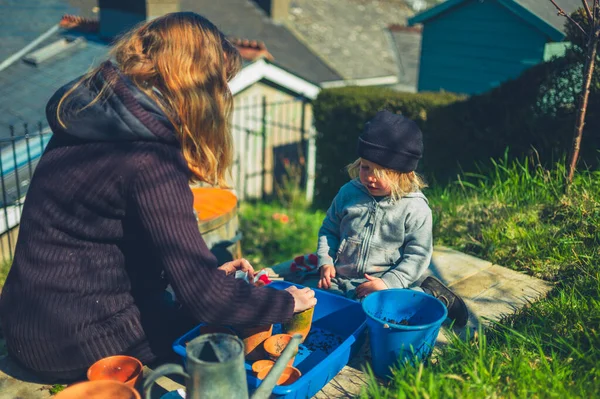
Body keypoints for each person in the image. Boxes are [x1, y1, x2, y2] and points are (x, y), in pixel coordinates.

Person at [0, 12, 316, 382]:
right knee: (223, 339)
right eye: (220, 84)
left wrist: (198, 273)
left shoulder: (94, 115)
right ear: (198, 86)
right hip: (77, 342)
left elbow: (105, 237)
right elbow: (205, 299)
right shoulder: (150, 158)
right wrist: (283, 302)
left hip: (27, 322)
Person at [316, 110, 468, 327]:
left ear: (403, 173)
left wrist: (388, 282)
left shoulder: (415, 207)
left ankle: (430, 294)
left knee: (386, 318)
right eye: (365, 167)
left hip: (386, 284)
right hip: (343, 280)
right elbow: (329, 230)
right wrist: (326, 261)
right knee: (325, 309)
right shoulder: (348, 193)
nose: (369, 177)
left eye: (380, 173)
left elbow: (418, 254)